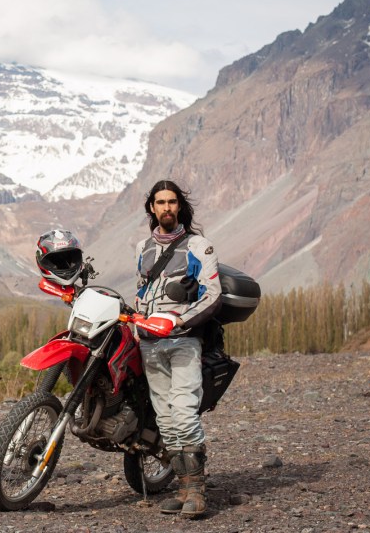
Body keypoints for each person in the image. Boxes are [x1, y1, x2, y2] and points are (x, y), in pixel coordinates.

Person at [134, 180, 221, 518]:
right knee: (166, 421)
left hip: (184, 340)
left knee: (184, 414)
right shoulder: (143, 248)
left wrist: (178, 322)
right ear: (152, 208)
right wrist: (137, 318)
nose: (166, 208)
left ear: (180, 207)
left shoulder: (200, 247)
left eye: (172, 202)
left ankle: (197, 490)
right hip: (150, 344)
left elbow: (212, 295)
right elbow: (142, 292)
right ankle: (183, 487)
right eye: (160, 202)